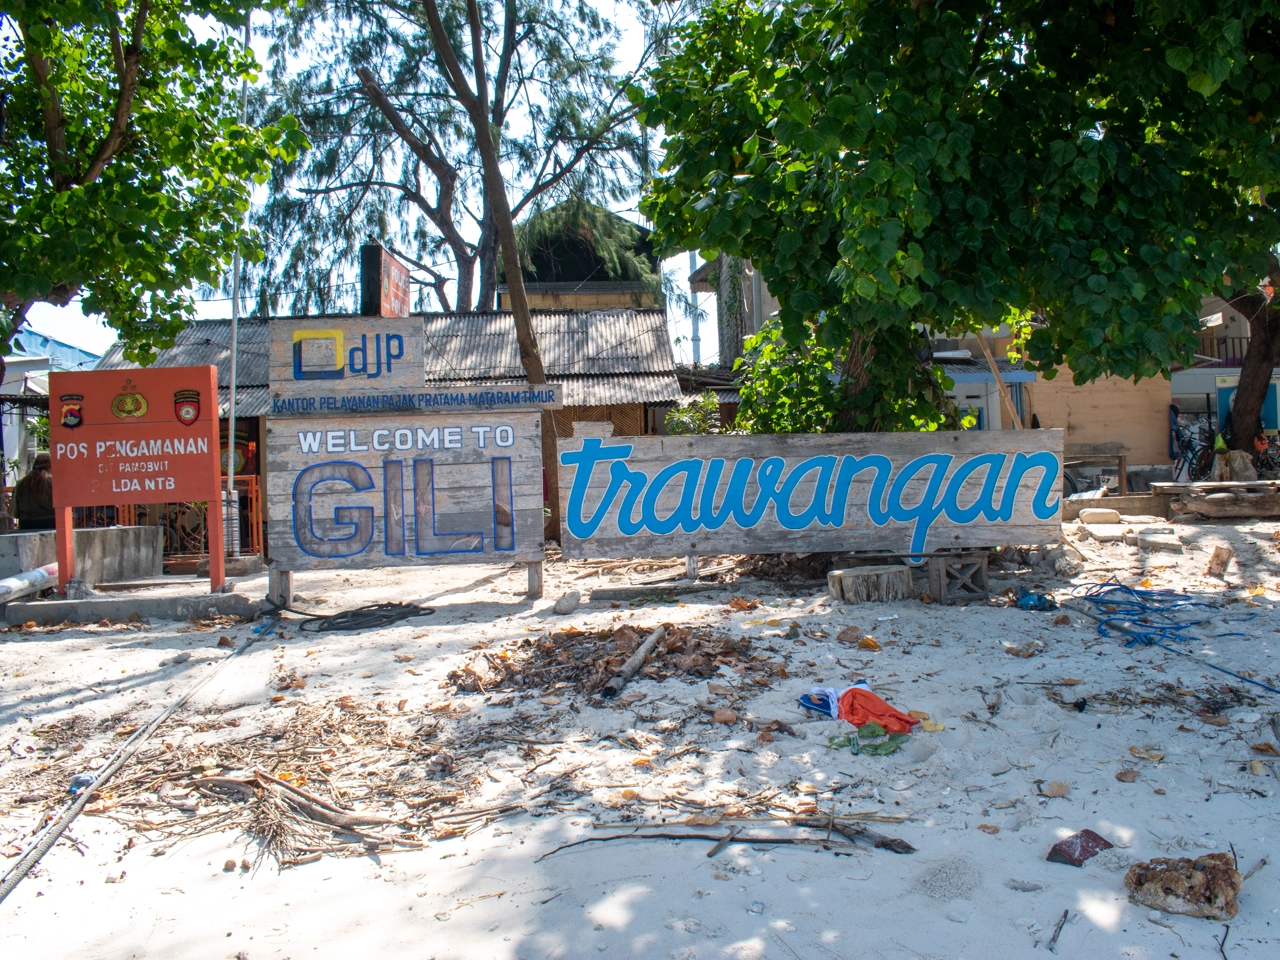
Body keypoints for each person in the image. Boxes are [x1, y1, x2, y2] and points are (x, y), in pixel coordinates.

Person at [13, 452, 55, 530]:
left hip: (25, 524)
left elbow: (14, 510)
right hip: (51, 523)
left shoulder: (21, 483)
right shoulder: (53, 482)